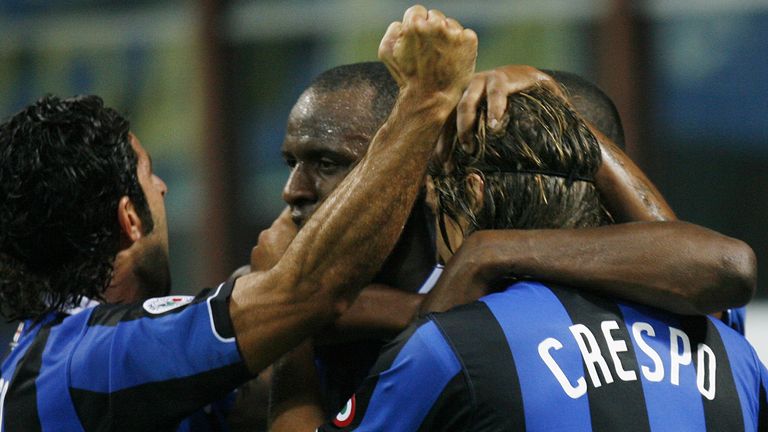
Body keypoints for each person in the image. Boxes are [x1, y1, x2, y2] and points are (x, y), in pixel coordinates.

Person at [0, 7, 478, 431]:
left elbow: (277, 351)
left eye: (326, 164)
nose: (163, 187)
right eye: (149, 175)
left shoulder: (58, 358)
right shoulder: (96, 362)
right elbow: (303, 297)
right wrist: (428, 99)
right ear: (129, 218)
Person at [265, 62, 756, 428]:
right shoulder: (727, 349)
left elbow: (724, 268)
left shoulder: (453, 344)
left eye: (329, 164)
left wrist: (489, 250)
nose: (295, 190)